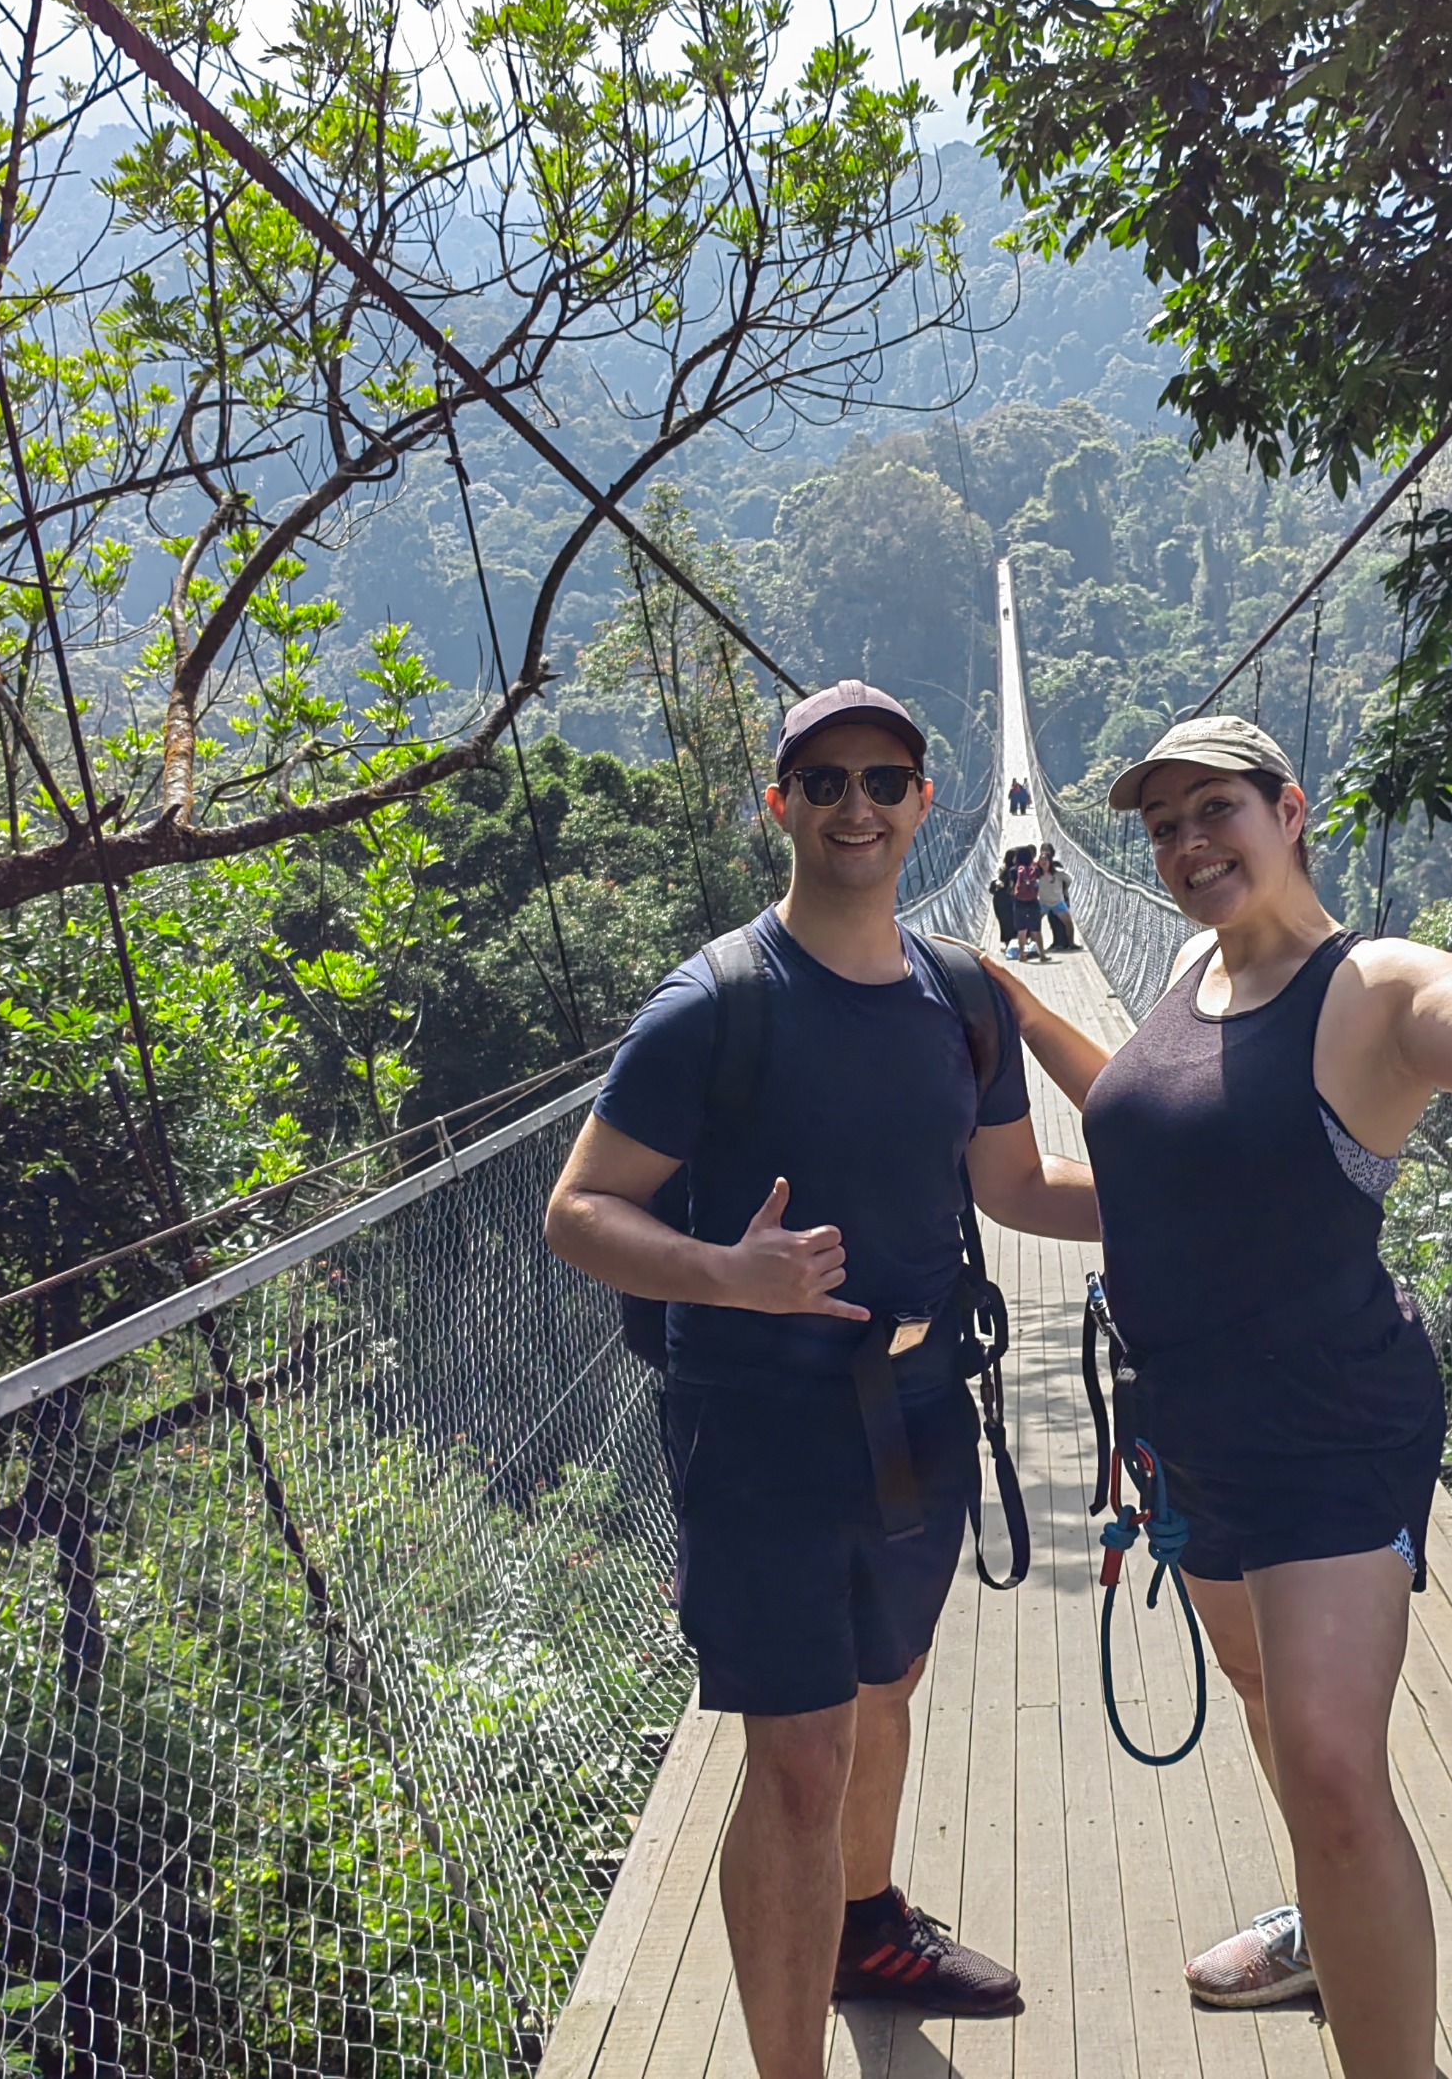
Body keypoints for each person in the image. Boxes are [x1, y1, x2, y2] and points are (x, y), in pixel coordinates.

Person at [978, 703, 1452, 2079]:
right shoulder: (1185, 969)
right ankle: (1320, 1926)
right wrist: (1021, 1016)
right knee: (1269, 1700)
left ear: (1291, 811)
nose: (1184, 842)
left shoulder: (1377, 989)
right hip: (1190, 1425)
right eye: (1162, 826)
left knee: (1337, 1768)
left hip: (1332, 1421)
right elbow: (1172, 1154)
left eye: (1214, 808)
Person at [544, 680, 1102, 2079]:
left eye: (885, 779)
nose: (857, 803)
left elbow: (1018, 1186)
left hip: (917, 1409)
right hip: (760, 1425)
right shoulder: (713, 1004)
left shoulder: (961, 994)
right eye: (827, 780)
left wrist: (1201, 1197)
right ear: (778, 805)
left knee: (886, 1683)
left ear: (927, 805)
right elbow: (578, 1211)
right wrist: (730, 1271)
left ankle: (866, 1927)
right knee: (796, 1761)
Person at [1006, 846, 1044, 960]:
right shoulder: (1035, 870)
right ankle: (1042, 955)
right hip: (1033, 901)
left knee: (1021, 930)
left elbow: (1012, 886)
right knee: (1036, 929)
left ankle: (1022, 955)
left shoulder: (1013, 870)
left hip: (1019, 902)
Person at [1038, 846, 1075, 953]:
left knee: (1068, 923)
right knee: (1034, 924)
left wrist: (1064, 890)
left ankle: (1071, 944)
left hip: (1057, 902)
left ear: (1050, 861)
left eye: (1045, 860)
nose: (1043, 862)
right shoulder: (1036, 874)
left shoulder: (1058, 873)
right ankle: (1035, 946)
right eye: (1041, 860)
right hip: (1043, 903)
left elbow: (1068, 880)